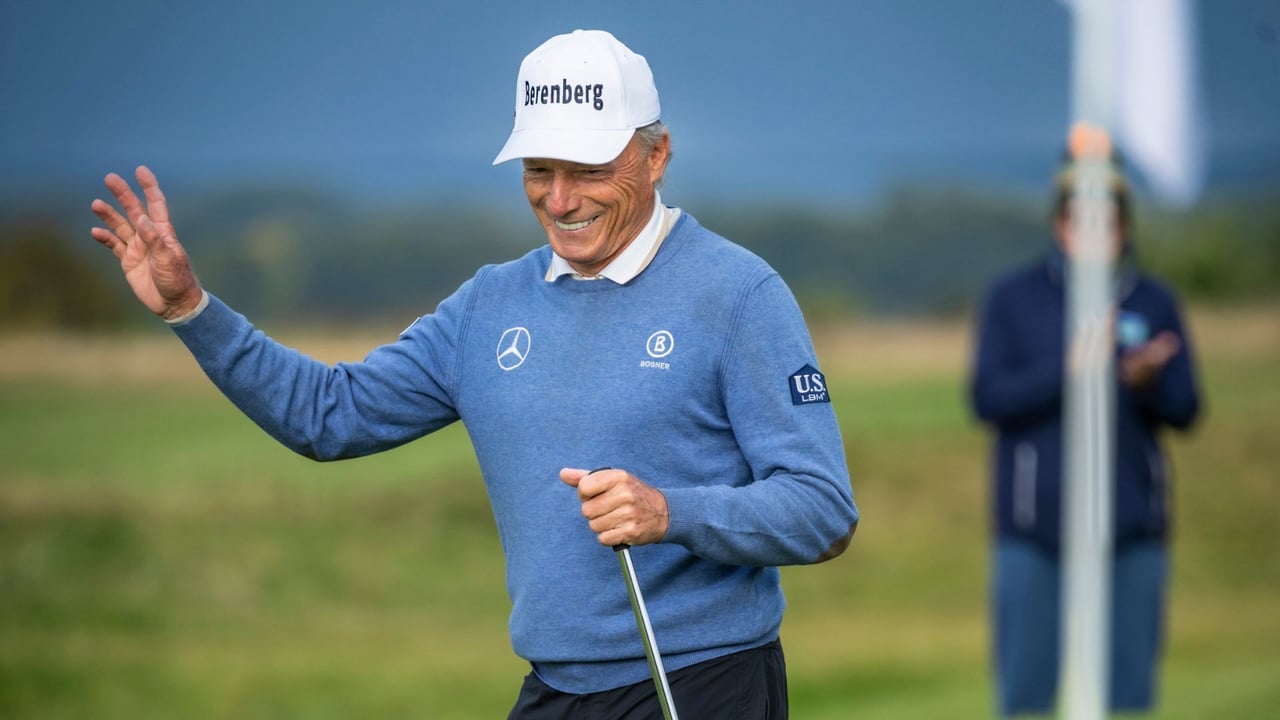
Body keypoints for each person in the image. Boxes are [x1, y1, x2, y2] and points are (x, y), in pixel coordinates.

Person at [90, 29, 857, 719]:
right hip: (555, 686)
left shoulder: (739, 294)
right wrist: (192, 309)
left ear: (656, 155)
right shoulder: (489, 305)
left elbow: (822, 511)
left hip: (700, 683)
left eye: (588, 169)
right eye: (537, 169)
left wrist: (669, 513)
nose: (559, 199)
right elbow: (328, 415)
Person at [969, 126, 1202, 717]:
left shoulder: (1152, 299)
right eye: (1079, 216)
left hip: (1131, 526)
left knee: (1129, 697)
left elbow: (1187, 408)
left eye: (1107, 217)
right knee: (1025, 697)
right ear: (1059, 223)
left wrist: (1146, 383)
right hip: (1034, 528)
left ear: (1125, 225)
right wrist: (1069, 370)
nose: (1093, 228)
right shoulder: (1013, 297)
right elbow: (987, 399)